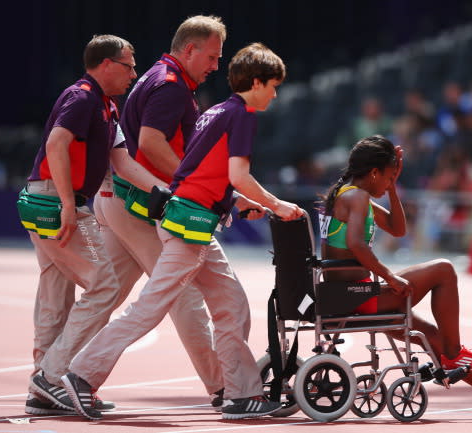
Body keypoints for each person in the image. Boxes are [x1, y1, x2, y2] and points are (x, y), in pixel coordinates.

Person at [62, 42, 303, 421]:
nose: (275, 93)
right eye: (273, 86)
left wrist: (233, 202)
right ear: (256, 82)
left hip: (188, 218)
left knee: (230, 302)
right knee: (151, 307)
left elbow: (193, 172)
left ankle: (241, 395)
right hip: (189, 224)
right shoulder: (241, 115)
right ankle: (81, 374)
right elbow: (237, 174)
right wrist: (278, 204)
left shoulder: (214, 113)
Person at [319, 135, 472, 409]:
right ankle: (455, 353)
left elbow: (399, 230)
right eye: (388, 177)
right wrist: (390, 276)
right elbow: (356, 244)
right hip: (356, 297)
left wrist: (393, 190)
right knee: (444, 270)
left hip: (352, 293)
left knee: (430, 332)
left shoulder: (351, 195)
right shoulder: (357, 197)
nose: (389, 182)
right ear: (374, 173)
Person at [20, 35, 169, 415]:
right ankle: (52, 377)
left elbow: (123, 164)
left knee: (56, 292)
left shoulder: (107, 107)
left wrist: (168, 191)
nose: (135, 74)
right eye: (129, 66)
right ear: (105, 64)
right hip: (56, 199)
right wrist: (69, 205)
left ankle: (43, 386)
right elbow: (56, 143)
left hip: (47, 197)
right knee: (104, 285)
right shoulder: (83, 97)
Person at [92, 15, 228, 411]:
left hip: (121, 200)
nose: (215, 66)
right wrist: (192, 185)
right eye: (212, 57)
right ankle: (223, 387)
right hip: (139, 206)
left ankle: (52, 375)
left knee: (102, 297)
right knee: (182, 297)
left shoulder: (160, 77)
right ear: (189, 49)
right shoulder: (170, 87)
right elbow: (152, 144)